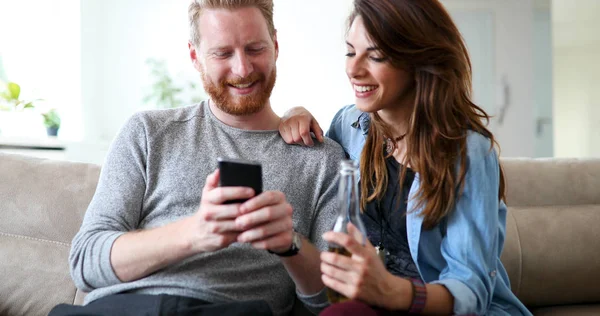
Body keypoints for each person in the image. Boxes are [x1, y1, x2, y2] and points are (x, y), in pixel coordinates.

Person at [49, 1, 345, 316]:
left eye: (255, 49)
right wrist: (193, 233)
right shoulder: (148, 133)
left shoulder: (321, 159)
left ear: (275, 45)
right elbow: (85, 263)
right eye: (222, 53)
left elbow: (332, 302)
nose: (242, 69)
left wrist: (290, 244)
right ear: (195, 56)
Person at [279, 0, 532, 315]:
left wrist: (389, 290)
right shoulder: (351, 125)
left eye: (376, 56)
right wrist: (294, 113)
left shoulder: (468, 153)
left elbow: (471, 293)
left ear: (419, 61)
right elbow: (321, 178)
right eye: (350, 52)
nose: (353, 69)